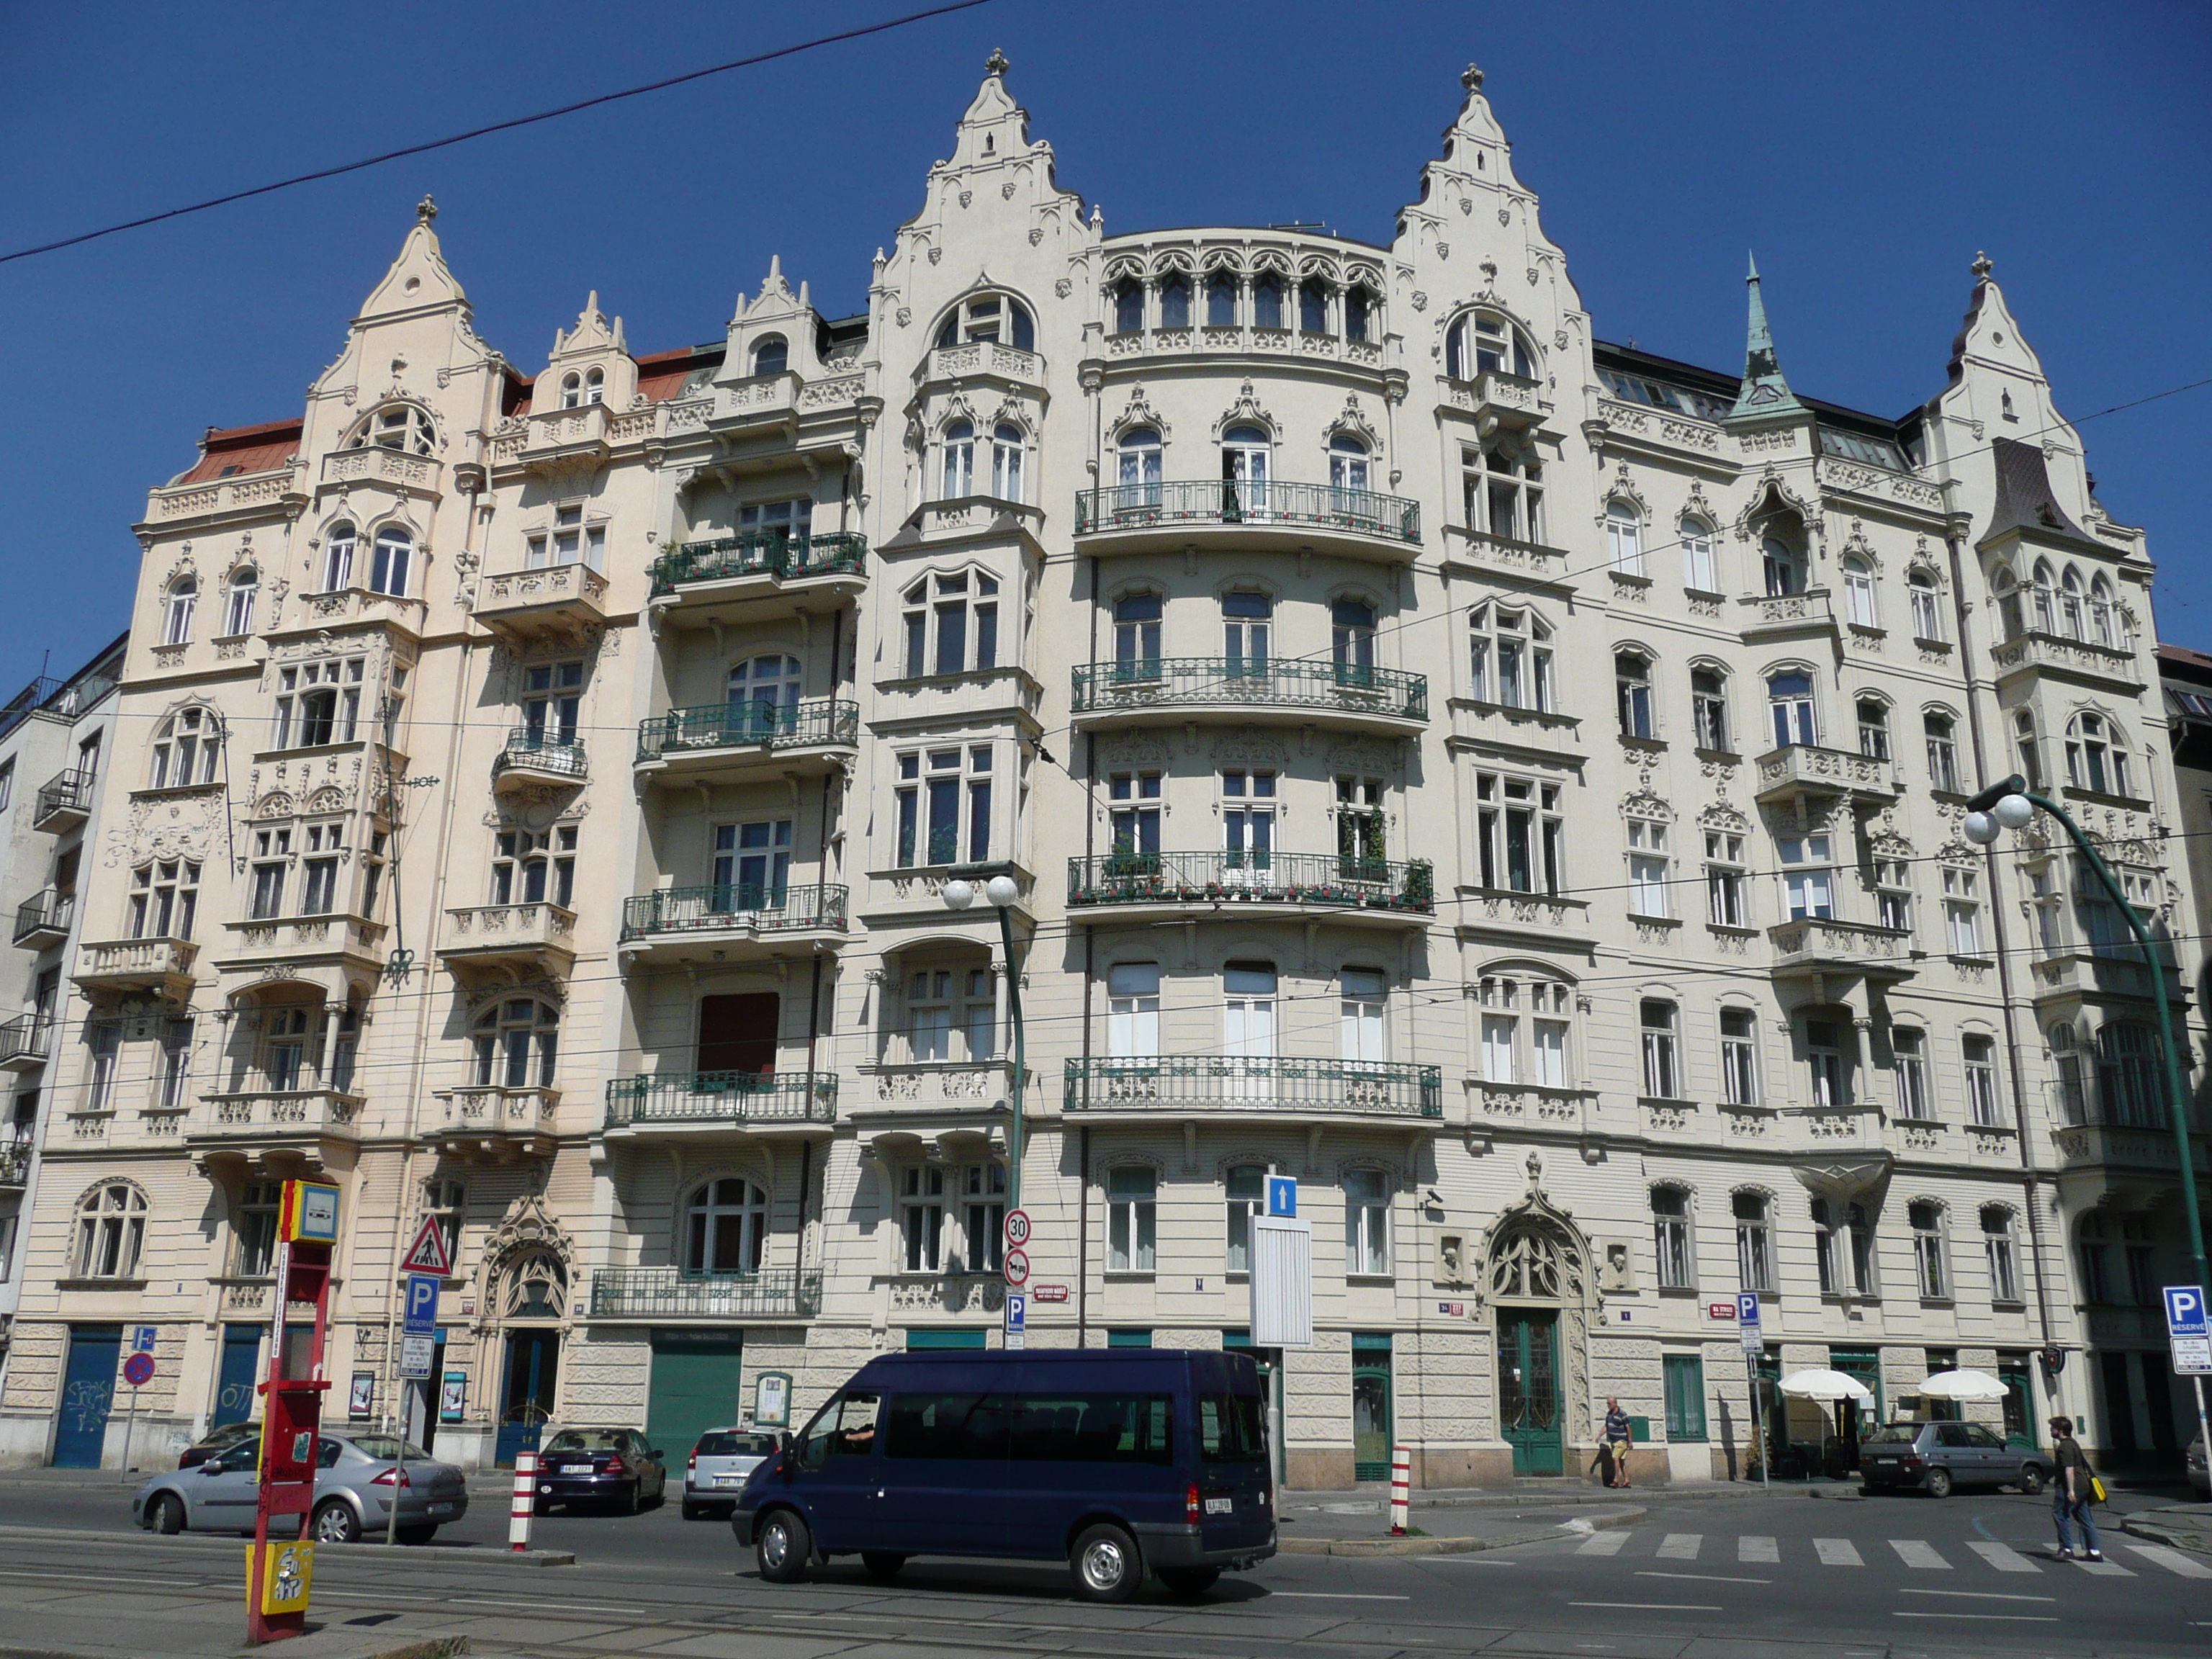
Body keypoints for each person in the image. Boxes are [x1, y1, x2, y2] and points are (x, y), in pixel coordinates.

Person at [2049, 1416, 2103, 1562]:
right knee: (2085, 1518)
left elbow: (2069, 1469)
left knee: (2060, 1514)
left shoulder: (2065, 1446)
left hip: (2069, 1487)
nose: (2051, 1430)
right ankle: (2094, 1551)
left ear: (2060, 1431)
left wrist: (2070, 1491)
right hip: (2083, 1485)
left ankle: (2066, 1548)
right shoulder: (2073, 1443)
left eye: (2053, 1428)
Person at [1602, 1397, 1634, 1489]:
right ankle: (1627, 1481)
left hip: (1622, 1441)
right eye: (1607, 1403)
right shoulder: (1609, 1414)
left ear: (1615, 1403)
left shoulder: (1622, 1414)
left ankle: (1616, 1480)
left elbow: (1628, 1428)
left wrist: (1630, 1441)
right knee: (1621, 1461)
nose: (1608, 1405)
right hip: (1614, 1441)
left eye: (1610, 1403)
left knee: (1615, 1457)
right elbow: (1607, 1426)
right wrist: (1600, 1435)